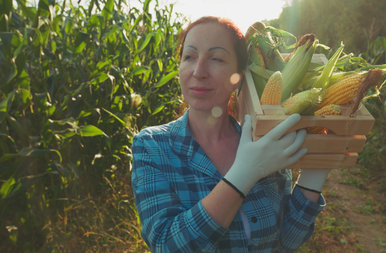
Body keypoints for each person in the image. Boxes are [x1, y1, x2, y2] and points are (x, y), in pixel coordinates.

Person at [131, 16, 329, 252]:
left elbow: (286, 242)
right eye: (189, 56)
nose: (199, 71)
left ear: (239, 77)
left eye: (216, 58)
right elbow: (166, 244)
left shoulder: (262, 138)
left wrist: (314, 175)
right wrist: (243, 175)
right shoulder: (153, 145)